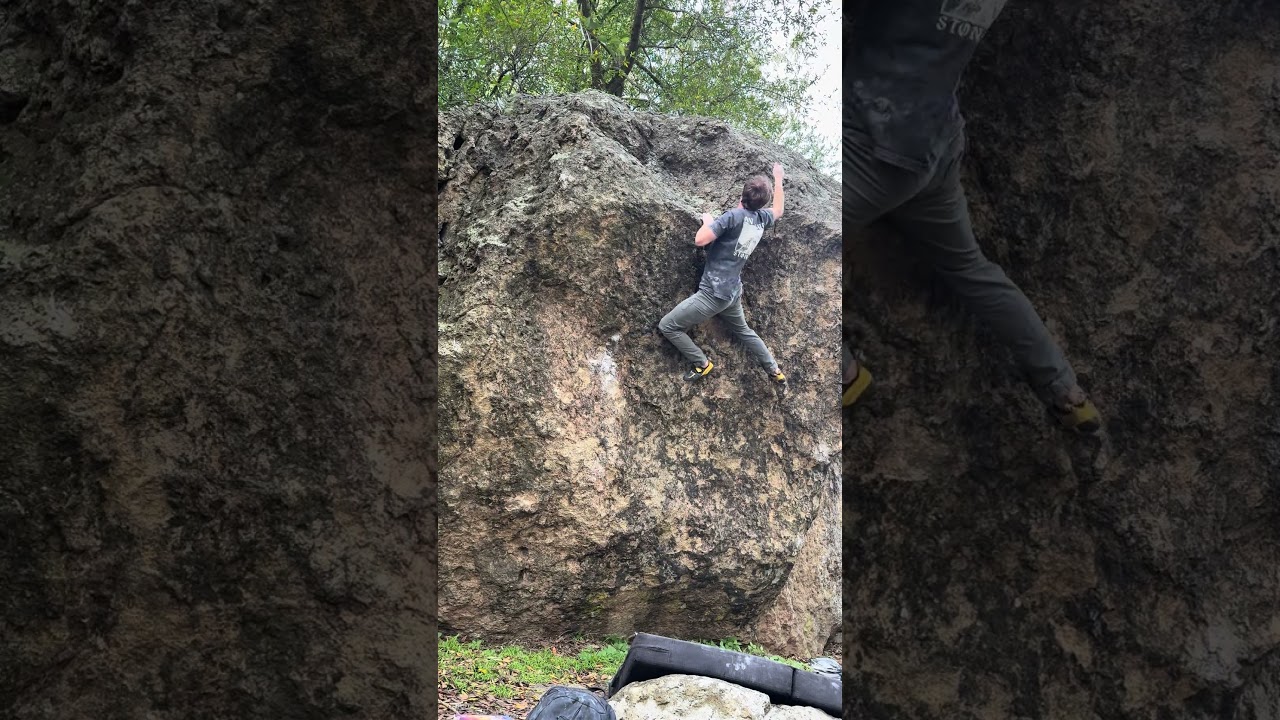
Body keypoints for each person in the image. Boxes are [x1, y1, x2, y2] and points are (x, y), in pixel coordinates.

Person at [843, 0, 1101, 434]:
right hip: (936, 144)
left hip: (876, 146)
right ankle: (1065, 391)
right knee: (969, 267)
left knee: (780, 243)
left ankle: (845, 372)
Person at [659, 163, 788, 385]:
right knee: (744, 331)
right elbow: (778, 210)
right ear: (762, 202)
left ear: (743, 193)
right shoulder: (761, 219)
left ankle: (702, 363)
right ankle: (774, 369)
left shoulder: (733, 217)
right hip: (732, 292)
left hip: (712, 294)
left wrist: (708, 222)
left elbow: (700, 240)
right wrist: (778, 178)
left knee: (668, 326)